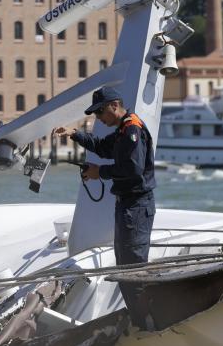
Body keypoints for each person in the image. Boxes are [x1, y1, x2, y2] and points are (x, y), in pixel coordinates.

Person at [55, 86, 156, 267]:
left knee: (132, 266)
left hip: (136, 205)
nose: (98, 118)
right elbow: (102, 147)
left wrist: (99, 172)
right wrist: (75, 134)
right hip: (128, 205)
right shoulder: (123, 129)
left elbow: (133, 169)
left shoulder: (132, 130)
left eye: (100, 111)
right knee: (124, 263)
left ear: (115, 105)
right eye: (95, 113)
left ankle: (140, 296)